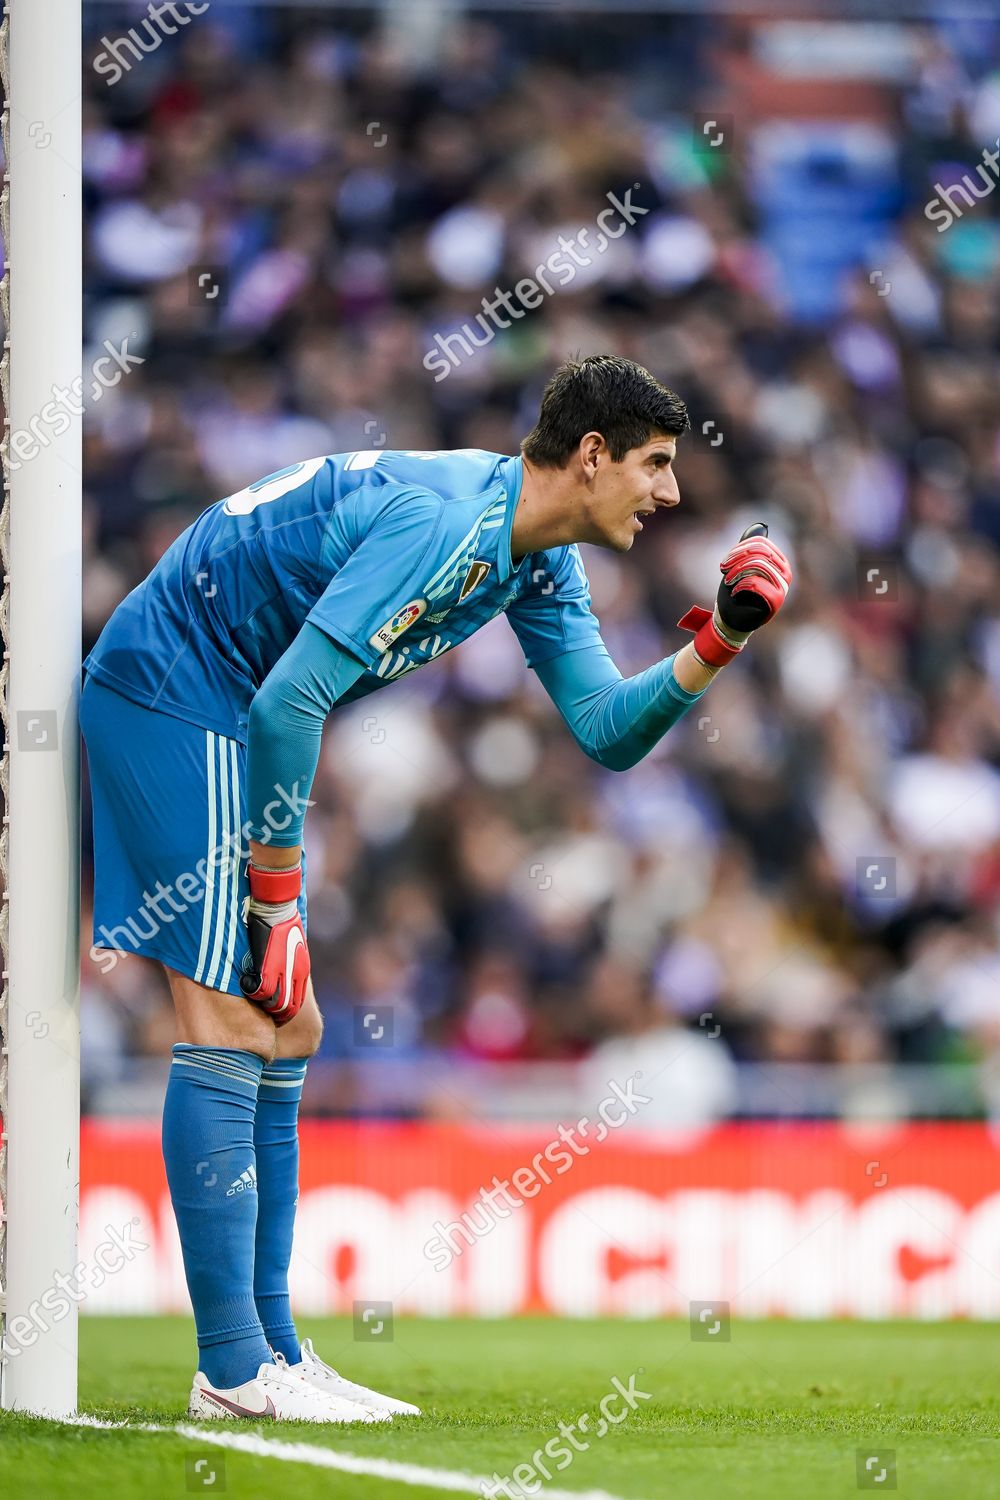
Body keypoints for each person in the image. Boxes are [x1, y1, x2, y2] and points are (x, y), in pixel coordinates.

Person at [80, 354, 791, 1421]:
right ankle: (232, 1368)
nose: (670, 493)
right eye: (652, 465)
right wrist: (276, 895)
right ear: (590, 456)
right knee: (230, 1017)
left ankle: (272, 1350)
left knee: (292, 1022)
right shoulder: (447, 524)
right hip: (178, 688)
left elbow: (603, 731)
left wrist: (721, 638)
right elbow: (287, 707)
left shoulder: (530, 555)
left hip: (222, 701)